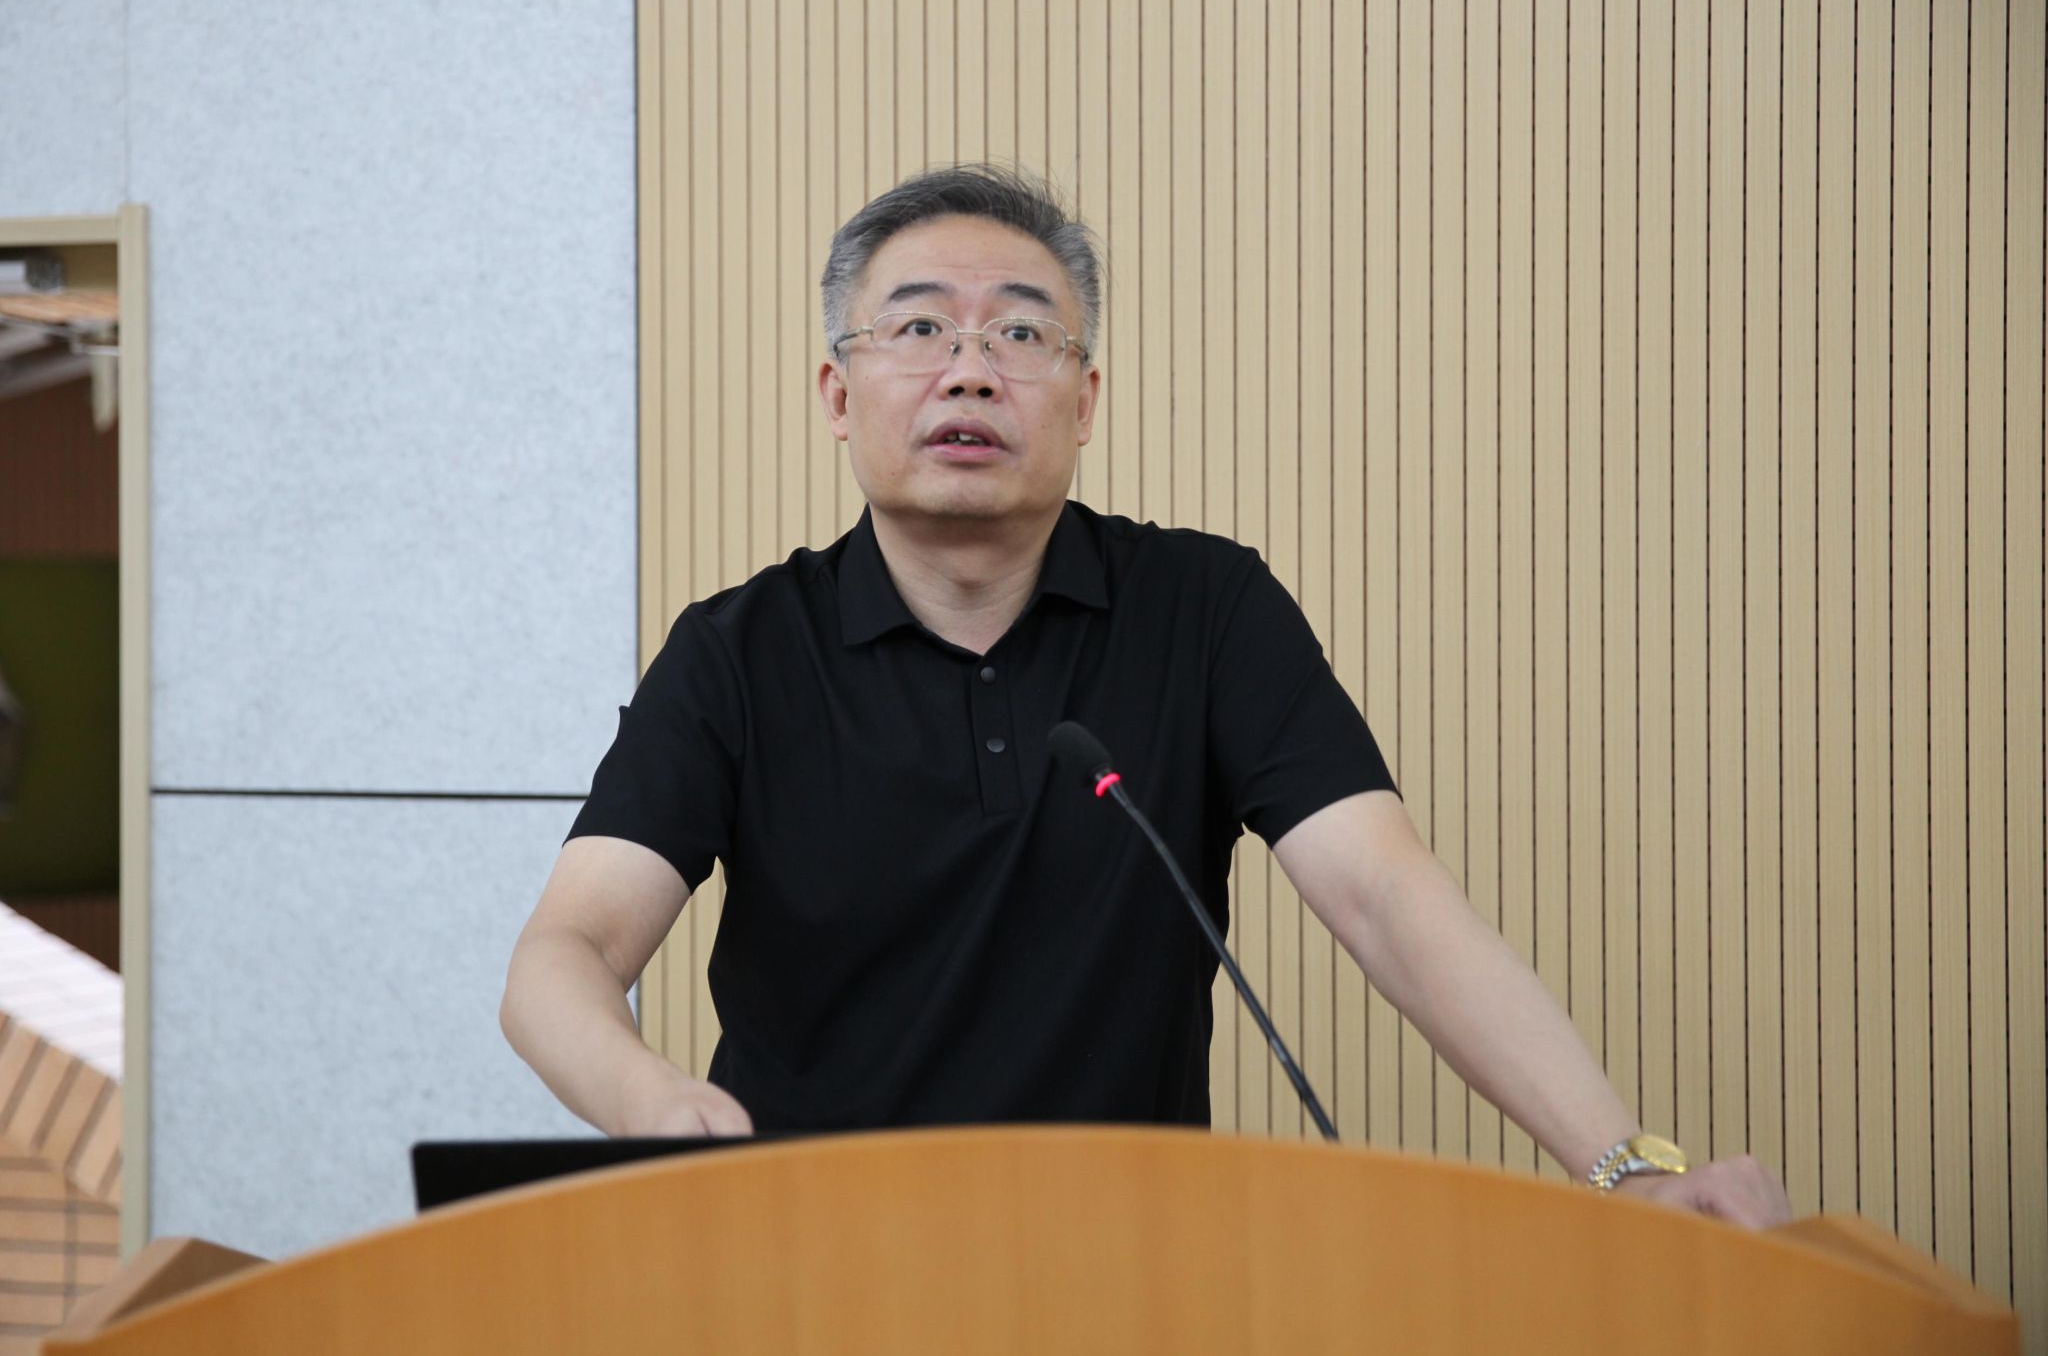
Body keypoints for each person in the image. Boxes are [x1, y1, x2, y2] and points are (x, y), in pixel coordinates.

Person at [500, 164, 1793, 1229]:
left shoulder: (1205, 609)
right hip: (807, 1265)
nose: (968, 370)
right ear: (839, 395)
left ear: (1086, 401)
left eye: (1021, 333)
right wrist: (651, 1103)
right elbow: (566, 956)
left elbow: (1389, 898)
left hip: (1133, 1273)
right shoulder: (737, 651)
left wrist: (1624, 1165)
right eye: (919, 329)